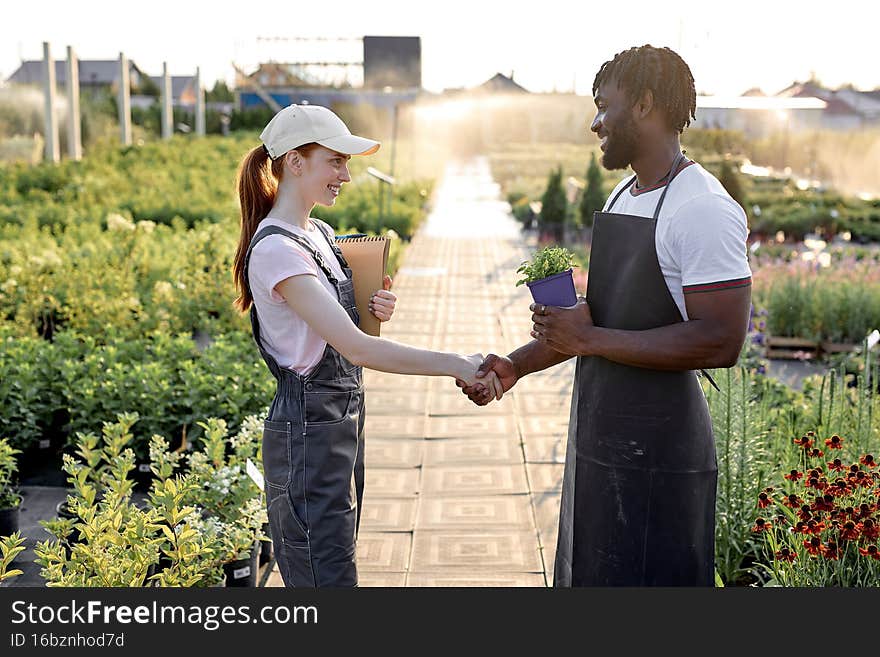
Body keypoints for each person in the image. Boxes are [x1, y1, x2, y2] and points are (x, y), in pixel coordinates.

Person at [459, 45, 752, 586]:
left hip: (662, 452)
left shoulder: (702, 209)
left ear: (643, 105)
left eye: (603, 106)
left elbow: (720, 340)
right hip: (600, 440)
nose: (594, 123)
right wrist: (516, 366)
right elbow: (594, 323)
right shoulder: (625, 194)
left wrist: (590, 340)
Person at [232, 104, 501, 587]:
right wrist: (459, 364)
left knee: (333, 565)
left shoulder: (320, 234)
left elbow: (348, 335)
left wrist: (371, 305)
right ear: (295, 161)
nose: (347, 175)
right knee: (324, 576)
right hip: (308, 434)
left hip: (340, 426)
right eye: (335, 161)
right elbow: (357, 350)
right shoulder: (277, 250)